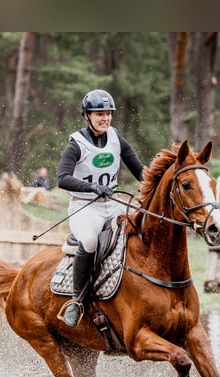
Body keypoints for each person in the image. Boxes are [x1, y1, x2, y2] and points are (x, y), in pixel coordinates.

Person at [55, 88, 145, 327]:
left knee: (140, 228)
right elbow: (62, 178)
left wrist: (155, 186)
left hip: (113, 204)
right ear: (86, 115)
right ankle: (76, 300)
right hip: (85, 207)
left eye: (108, 113)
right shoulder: (77, 144)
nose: (105, 118)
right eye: (99, 114)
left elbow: (139, 170)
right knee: (91, 242)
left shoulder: (116, 138)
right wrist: (92, 187)